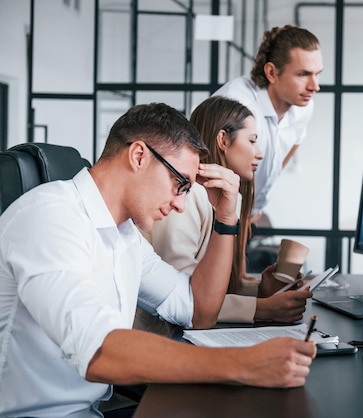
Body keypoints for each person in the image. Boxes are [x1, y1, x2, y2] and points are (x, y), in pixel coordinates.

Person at [0, 103, 316, 417]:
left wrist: (225, 217)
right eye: (180, 185)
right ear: (139, 155)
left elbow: (199, 311)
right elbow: (99, 351)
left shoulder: (124, 235)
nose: (181, 205)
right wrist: (246, 364)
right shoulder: (49, 218)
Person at [136, 96, 311, 331]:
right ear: (223, 140)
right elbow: (187, 294)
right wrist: (264, 308)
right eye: (252, 141)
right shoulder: (188, 196)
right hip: (166, 338)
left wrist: (260, 291)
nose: (259, 153)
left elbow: (213, 286)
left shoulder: (223, 198)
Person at [214, 24, 323, 219]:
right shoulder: (237, 105)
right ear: (272, 73)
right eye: (303, 74)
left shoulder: (304, 108)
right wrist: (230, 215)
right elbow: (201, 164)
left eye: (317, 74)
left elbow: (291, 145)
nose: (315, 86)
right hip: (214, 213)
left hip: (249, 214)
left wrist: (255, 205)